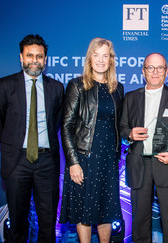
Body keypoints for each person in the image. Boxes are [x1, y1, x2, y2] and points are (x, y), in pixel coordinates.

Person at [0, 34, 64, 243]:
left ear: (45, 60)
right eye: (29, 55)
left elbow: (56, 122)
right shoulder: (5, 85)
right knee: (18, 222)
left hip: (47, 162)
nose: (34, 60)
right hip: (17, 162)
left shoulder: (56, 88)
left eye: (39, 56)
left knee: (48, 222)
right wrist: (13, 144)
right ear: (21, 58)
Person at [120, 53, 168, 243]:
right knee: (140, 222)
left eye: (160, 68)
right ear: (143, 71)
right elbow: (121, 128)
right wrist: (129, 134)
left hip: (167, 164)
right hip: (139, 165)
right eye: (150, 67)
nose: (155, 72)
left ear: (166, 71)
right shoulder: (130, 97)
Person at [60, 38, 124, 243]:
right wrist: (73, 162)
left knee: (106, 209)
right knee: (84, 210)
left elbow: (120, 126)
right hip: (84, 157)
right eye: (96, 55)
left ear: (111, 60)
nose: (100, 60)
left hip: (108, 159)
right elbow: (66, 126)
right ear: (89, 59)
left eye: (105, 55)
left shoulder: (117, 88)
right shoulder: (77, 85)